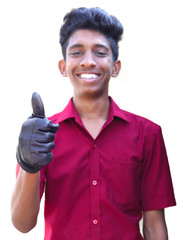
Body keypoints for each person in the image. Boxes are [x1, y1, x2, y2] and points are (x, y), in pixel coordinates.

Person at [11, 7, 176, 240]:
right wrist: (29, 166)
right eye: (77, 53)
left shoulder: (148, 134)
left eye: (100, 52)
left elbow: (155, 226)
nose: (88, 62)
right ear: (63, 66)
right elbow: (22, 223)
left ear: (116, 67)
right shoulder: (42, 135)